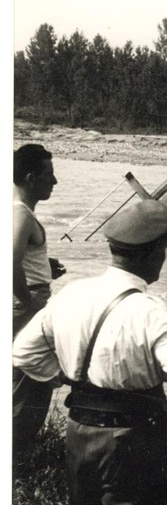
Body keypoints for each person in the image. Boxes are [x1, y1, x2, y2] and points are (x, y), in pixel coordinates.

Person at [13, 199, 167, 505]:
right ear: (154, 252)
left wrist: (64, 377)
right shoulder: (150, 310)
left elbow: (22, 352)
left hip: (79, 433)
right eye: (164, 250)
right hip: (132, 441)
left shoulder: (71, 294)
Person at [12, 143, 64, 451]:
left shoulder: (12, 210)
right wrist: (30, 303)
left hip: (20, 300)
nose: (54, 182)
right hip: (25, 304)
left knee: (19, 376)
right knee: (32, 379)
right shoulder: (23, 216)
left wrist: (45, 266)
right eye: (50, 175)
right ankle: (17, 456)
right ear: (31, 178)